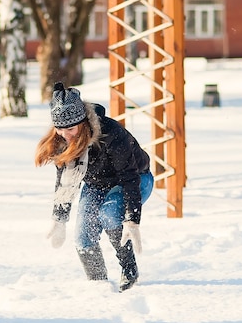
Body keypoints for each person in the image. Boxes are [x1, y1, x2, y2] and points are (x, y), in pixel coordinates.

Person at [34, 82, 154, 292]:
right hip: (96, 184)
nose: (65, 135)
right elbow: (64, 181)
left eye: (70, 129)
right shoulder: (62, 139)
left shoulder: (111, 134)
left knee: (109, 214)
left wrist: (132, 220)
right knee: (83, 237)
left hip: (135, 179)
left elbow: (129, 177)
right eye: (60, 130)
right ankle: (98, 286)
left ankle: (129, 270)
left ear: (82, 122)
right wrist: (59, 218)